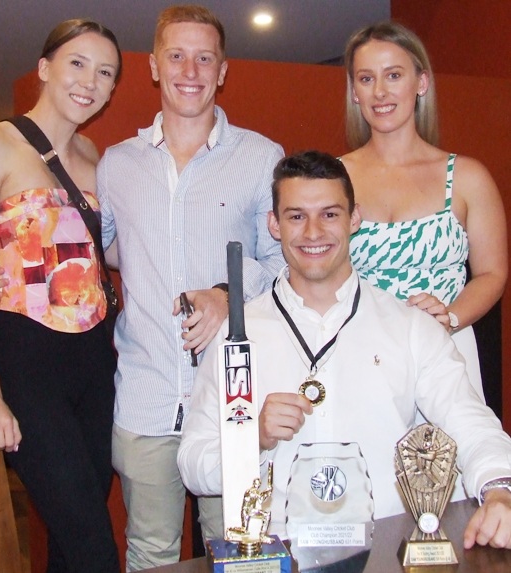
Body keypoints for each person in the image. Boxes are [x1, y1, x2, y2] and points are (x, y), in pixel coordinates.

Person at [178, 150, 511, 550]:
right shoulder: (238, 338)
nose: (313, 232)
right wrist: (252, 438)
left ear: (355, 219)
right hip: (280, 553)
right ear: (274, 225)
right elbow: (193, 464)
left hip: (386, 551)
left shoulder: (409, 329)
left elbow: (470, 420)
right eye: (296, 216)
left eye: (330, 214)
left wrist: (500, 490)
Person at [97, 5, 284, 570]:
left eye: (205, 57)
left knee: (238, 552)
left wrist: (225, 295)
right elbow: (103, 251)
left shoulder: (261, 157)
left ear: (223, 70)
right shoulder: (117, 165)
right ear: (154, 67)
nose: (190, 69)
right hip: (146, 394)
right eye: (176, 55)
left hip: (232, 400)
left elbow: (283, 260)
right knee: (150, 553)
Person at [0, 19, 122, 572]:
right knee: (90, 537)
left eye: (105, 72)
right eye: (77, 63)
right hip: (26, 354)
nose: (90, 81)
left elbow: (110, 256)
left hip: (95, 359)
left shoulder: (96, 157)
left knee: (70, 532)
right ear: (44, 68)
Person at [342, 21, 507, 404]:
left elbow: (492, 273)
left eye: (394, 75)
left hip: (446, 354)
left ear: (421, 83)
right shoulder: (334, 179)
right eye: (366, 79)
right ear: (354, 92)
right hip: (358, 355)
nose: (380, 91)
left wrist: (448, 317)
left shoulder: (467, 176)